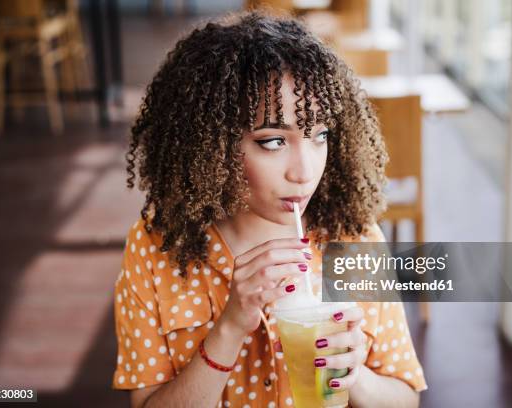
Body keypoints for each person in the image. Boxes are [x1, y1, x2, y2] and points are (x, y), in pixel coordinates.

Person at [112, 11, 427, 407]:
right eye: (273, 141)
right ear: (212, 145)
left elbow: (405, 399)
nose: (304, 172)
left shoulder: (353, 238)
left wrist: (352, 375)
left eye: (320, 135)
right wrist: (228, 329)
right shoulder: (155, 248)